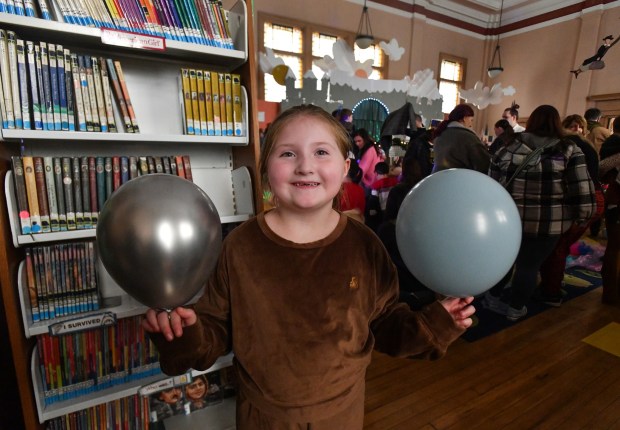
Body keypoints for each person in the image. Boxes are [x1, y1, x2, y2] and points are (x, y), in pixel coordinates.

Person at [143, 104, 475, 429]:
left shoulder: (365, 245)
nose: (305, 166)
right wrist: (185, 335)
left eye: (321, 152)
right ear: (266, 168)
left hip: (341, 412)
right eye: (287, 154)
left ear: (345, 167)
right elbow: (216, 327)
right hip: (263, 416)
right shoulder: (240, 246)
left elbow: (386, 322)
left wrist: (435, 324)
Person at [484, 105, 596, 321]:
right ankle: (516, 309)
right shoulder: (569, 149)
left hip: (508, 220)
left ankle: (492, 298)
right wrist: (583, 216)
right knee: (529, 266)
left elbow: (492, 181)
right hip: (547, 223)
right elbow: (581, 188)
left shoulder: (508, 146)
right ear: (557, 122)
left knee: (504, 262)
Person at [536, 114, 604, 306]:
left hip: (582, 201)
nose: (576, 129)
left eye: (579, 126)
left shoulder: (566, 146)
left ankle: (551, 293)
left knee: (557, 247)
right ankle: (551, 285)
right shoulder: (586, 146)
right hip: (593, 200)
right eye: (572, 125)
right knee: (559, 246)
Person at [598, 115, 620, 304]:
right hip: (617, 203)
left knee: (614, 249)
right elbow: (602, 167)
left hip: (615, 202)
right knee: (614, 249)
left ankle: (611, 294)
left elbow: (602, 168)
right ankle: (611, 295)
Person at [432, 103, 490, 173]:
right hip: (458, 179)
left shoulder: (441, 132)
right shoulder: (469, 137)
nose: (471, 124)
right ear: (465, 118)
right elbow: (483, 163)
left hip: (437, 177)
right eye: (471, 120)